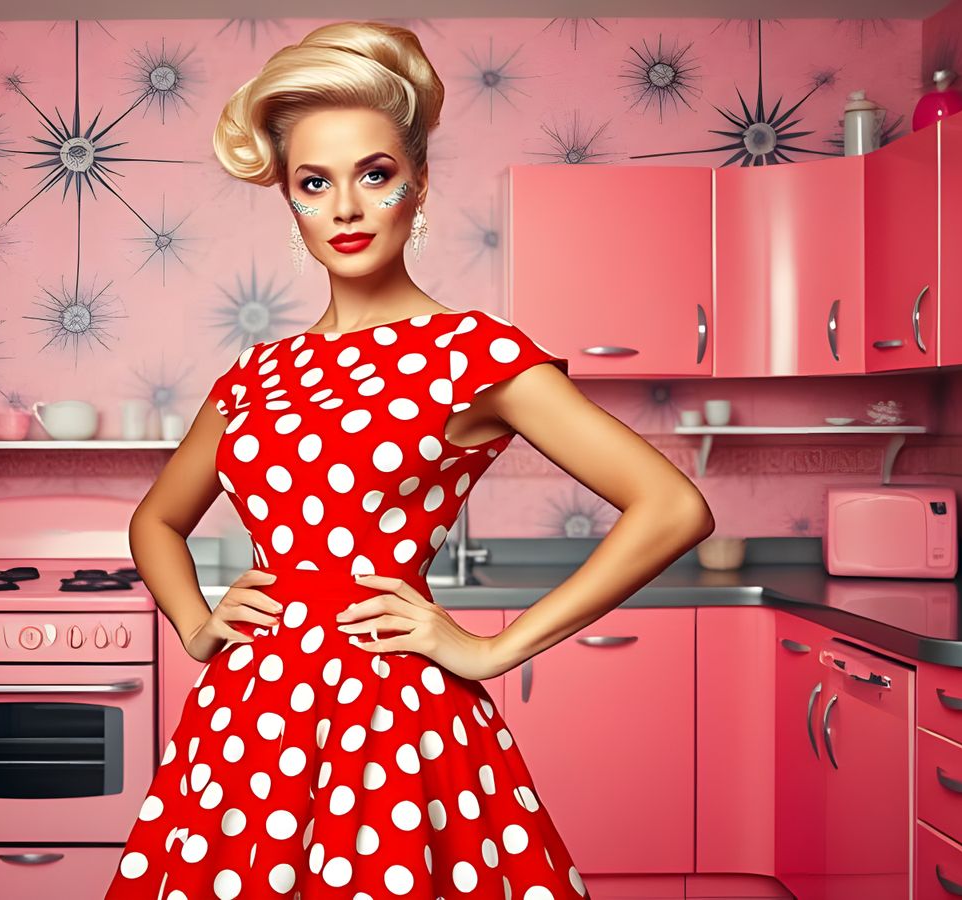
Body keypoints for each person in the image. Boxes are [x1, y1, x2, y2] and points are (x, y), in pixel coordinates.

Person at [107, 20, 714, 899]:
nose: (345, 208)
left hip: (393, 714)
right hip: (248, 718)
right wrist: (198, 625)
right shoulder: (254, 372)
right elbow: (155, 521)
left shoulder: (474, 351)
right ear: (290, 201)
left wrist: (490, 649)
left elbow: (673, 507)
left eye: (375, 174)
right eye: (314, 183)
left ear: (418, 185)